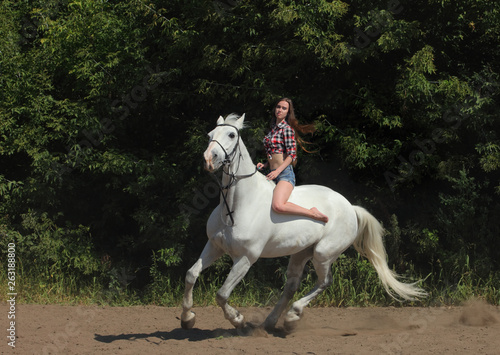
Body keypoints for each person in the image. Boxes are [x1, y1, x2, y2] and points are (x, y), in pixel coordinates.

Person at [257, 98, 329, 223]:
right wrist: (265, 164)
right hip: (271, 173)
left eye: (284, 108)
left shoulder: (287, 129)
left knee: (278, 205)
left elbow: (291, 156)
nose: (280, 110)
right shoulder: (272, 130)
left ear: (288, 113)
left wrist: (277, 171)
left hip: (284, 174)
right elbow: (275, 153)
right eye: (278, 107)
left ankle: (312, 212)